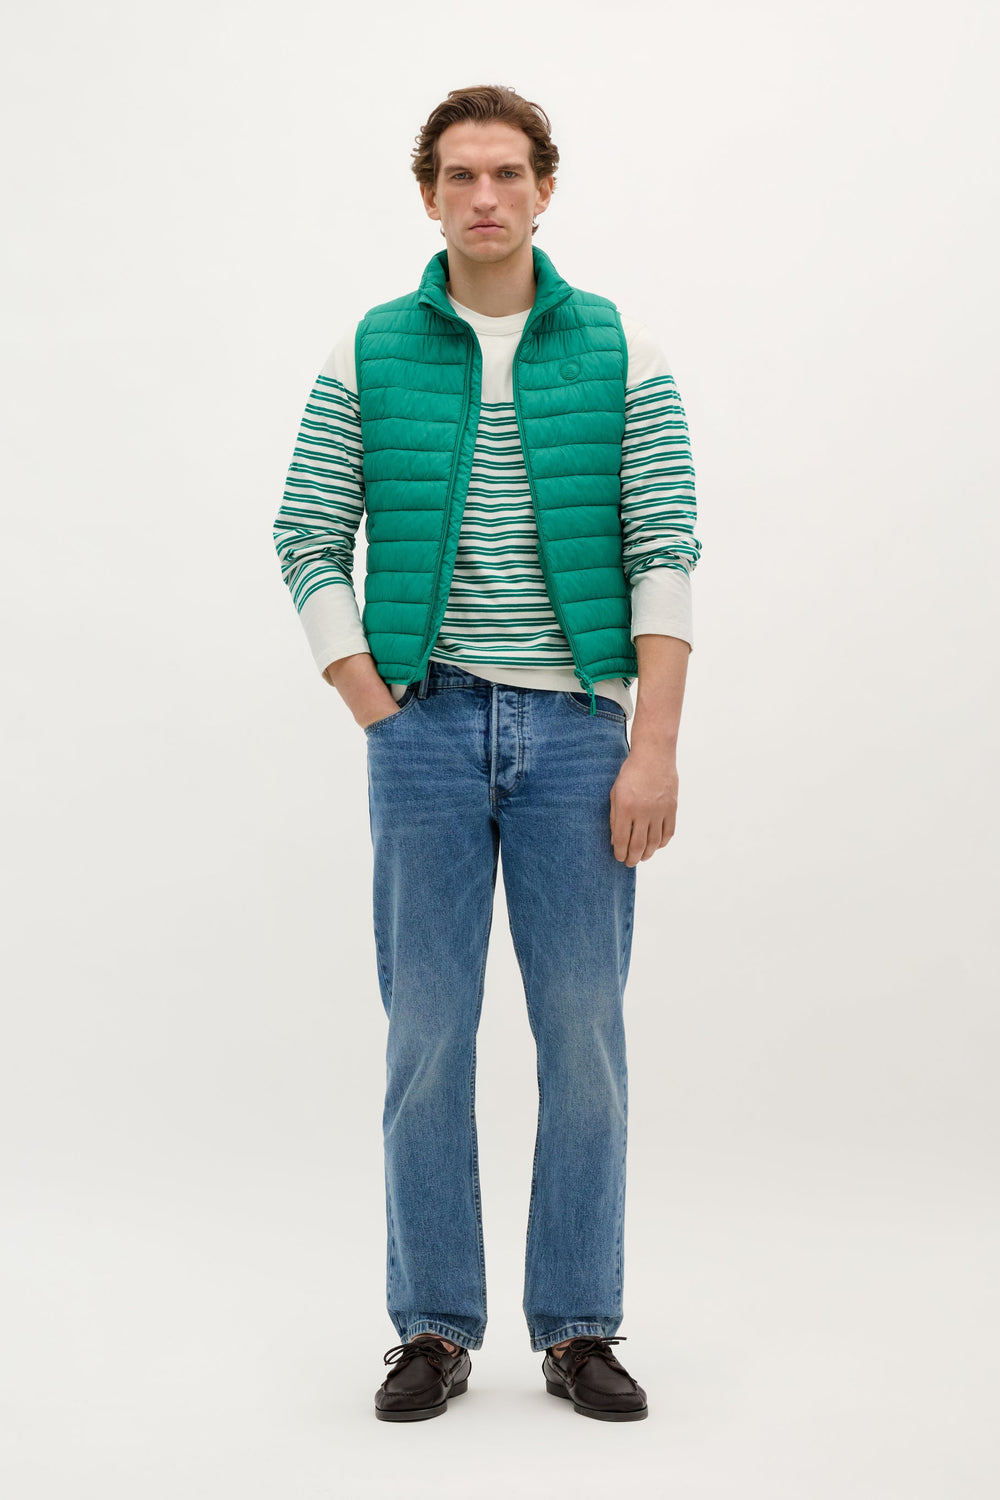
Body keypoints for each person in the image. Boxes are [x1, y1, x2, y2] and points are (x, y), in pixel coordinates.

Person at [273, 83, 701, 1423]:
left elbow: (665, 546)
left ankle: (578, 1329)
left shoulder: (623, 349)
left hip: (579, 736)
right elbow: (305, 531)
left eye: (507, 173)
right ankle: (433, 1328)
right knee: (427, 1037)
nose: (485, 196)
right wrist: (373, 706)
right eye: (460, 175)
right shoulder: (369, 350)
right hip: (426, 726)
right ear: (429, 196)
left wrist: (653, 745)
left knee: (583, 1036)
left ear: (544, 189)